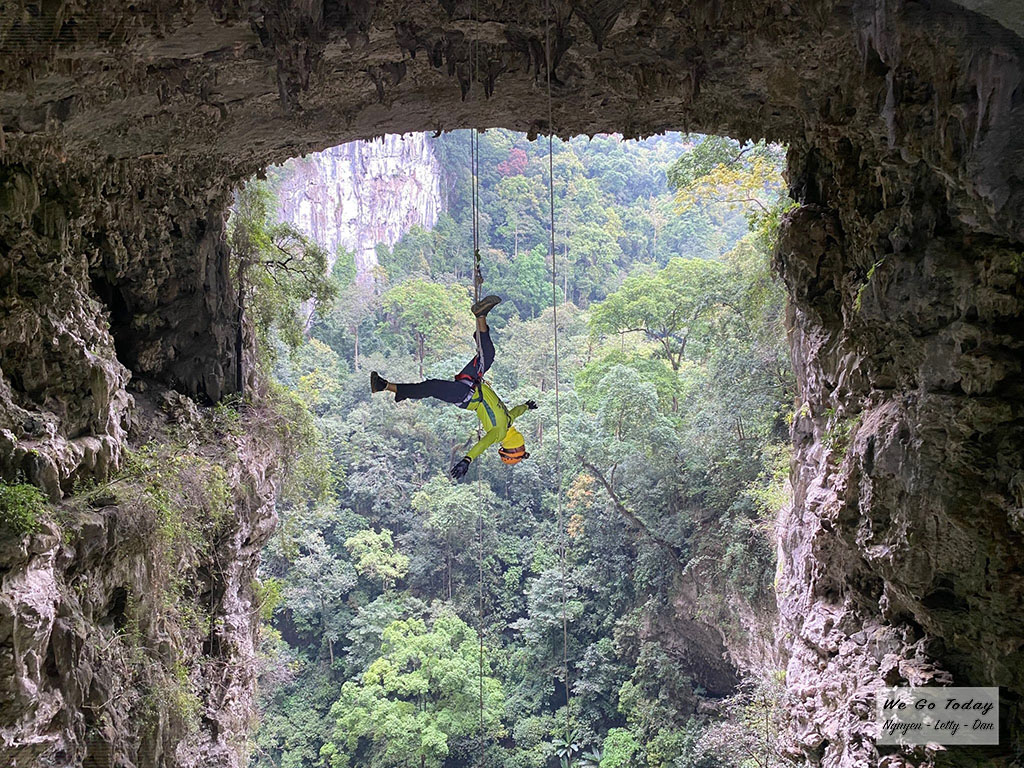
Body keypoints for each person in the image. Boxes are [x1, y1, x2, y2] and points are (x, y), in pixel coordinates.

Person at [370, 295, 536, 480]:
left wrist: (467, 459)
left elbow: (482, 444)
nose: (521, 444)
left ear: (513, 445)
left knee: (432, 387)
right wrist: (527, 406)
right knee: (487, 356)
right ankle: (481, 316)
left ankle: (386, 386)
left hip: (465, 395)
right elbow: (517, 411)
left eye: (520, 447)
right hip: (473, 382)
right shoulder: (507, 422)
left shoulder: (499, 433)